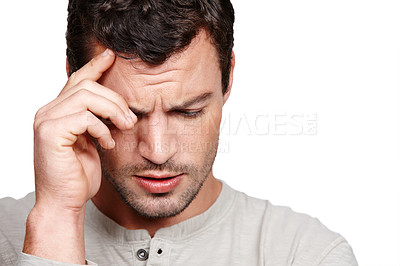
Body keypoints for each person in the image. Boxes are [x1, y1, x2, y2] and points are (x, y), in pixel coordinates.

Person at [0, 0, 358, 265]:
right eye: (126, 114)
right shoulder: (6, 239)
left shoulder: (307, 254)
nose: (157, 151)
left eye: (188, 111)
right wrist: (57, 216)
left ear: (227, 77)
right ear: (75, 82)